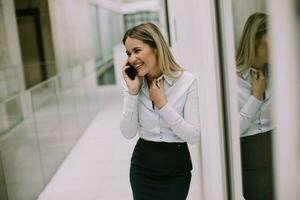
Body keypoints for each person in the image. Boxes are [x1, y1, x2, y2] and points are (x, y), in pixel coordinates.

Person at [120, 22, 201, 200]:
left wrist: (163, 105)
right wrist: (133, 93)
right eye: (128, 53)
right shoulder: (133, 83)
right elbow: (128, 132)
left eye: (137, 50)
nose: (132, 58)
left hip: (176, 169)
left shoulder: (187, 81)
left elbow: (193, 136)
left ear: (156, 48)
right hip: (142, 168)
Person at [236, 13, 274, 200]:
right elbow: (233, 130)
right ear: (255, 39)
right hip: (250, 155)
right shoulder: (230, 78)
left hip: (277, 148)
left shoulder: (280, 72)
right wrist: (256, 96)